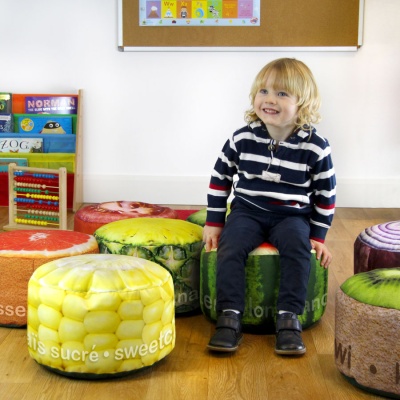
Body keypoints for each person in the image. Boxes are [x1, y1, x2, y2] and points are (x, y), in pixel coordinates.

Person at [203, 58, 336, 356]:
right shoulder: (242, 138)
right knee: (231, 246)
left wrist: (318, 236)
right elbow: (220, 177)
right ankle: (230, 316)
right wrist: (214, 221)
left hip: (292, 215)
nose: (270, 99)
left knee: (297, 248)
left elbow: (326, 194)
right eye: (263, 91)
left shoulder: (315, 146)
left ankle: (288, 318)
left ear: (303, 102)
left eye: (282, 94)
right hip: (247, 211)